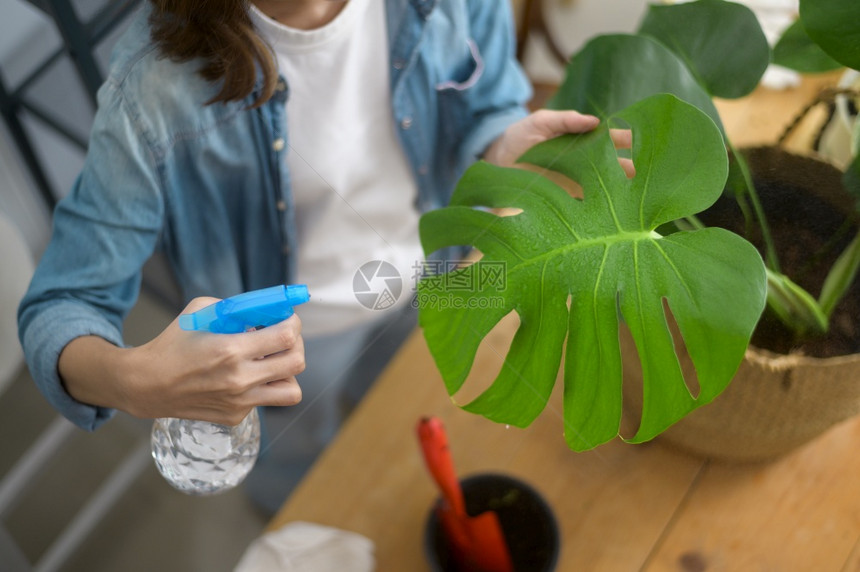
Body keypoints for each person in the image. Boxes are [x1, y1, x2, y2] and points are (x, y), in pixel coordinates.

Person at [17, 0, 613, 515]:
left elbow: (488, 103)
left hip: (437, 280)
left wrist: (501, 143)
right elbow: (62, 304)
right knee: (303, 491)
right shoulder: (154, 90)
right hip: (287, 354)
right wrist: (133, 382)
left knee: (402, 432)